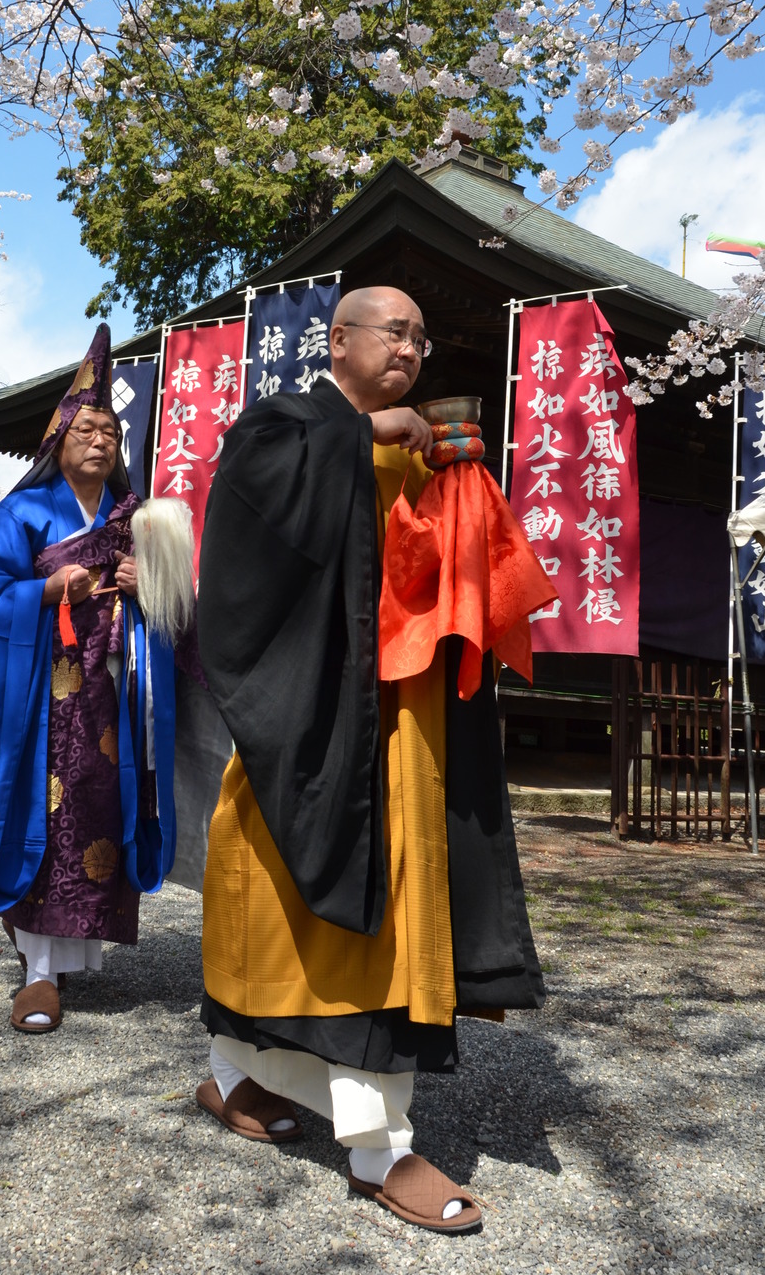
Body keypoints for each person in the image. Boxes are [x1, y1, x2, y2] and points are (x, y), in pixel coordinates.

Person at [195, 286, 549, 1237]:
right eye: (397, 329)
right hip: (313, 719)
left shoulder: (410, 440)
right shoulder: (287, 423)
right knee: (281, 914)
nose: (413, 346)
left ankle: (273, 1092)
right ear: (339, 339)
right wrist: (365, 442)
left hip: (403, 718)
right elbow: (245, 549)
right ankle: (371, 1148)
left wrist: (452, 482)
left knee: (389, 912)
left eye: (423, 336)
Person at [0, 326, 187, 1036]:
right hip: (39, 697)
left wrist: (151, 584)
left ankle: (74, 951)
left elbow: (172, 606)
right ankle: (40, 973)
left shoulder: (130, 516)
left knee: (97, 815)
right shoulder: (23, 512)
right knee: (44, 820)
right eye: (85, 427)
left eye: (110, 430)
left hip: (110, 690)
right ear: (59, 437)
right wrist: (46, 590)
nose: (99, 440)